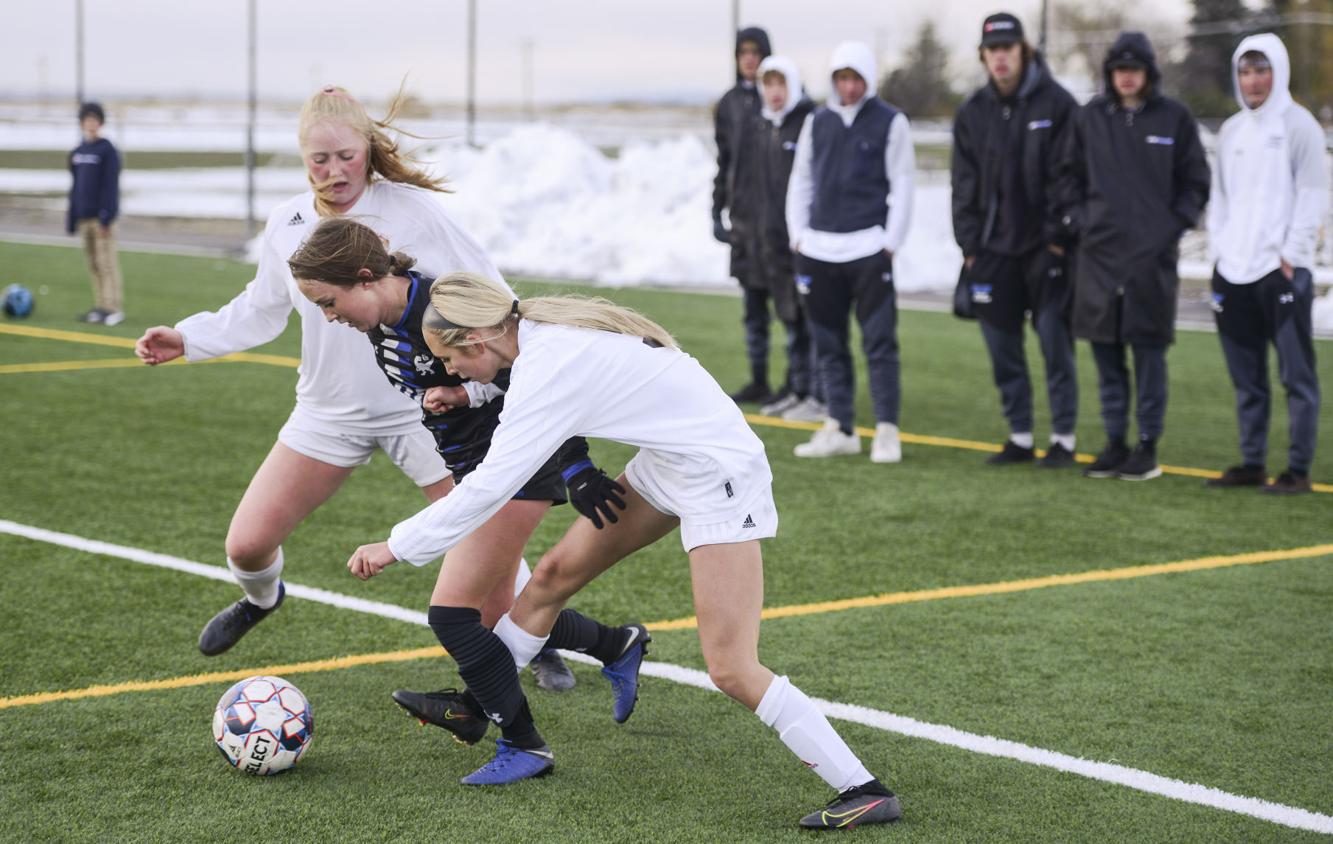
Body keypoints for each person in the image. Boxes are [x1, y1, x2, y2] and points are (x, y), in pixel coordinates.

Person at [311, 224, 899, 827]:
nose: (452, 371)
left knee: (730, 667)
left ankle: (864, 789)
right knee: (550, 579)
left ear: (479, 335)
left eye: (452, 358)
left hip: (718, 474)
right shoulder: (531, 337)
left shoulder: (545, 365)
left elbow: (489, 487)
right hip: (670, 463)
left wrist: (395, 546)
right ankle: (480, 707)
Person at [132, 86, 576, 690]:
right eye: (320, 159)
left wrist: (512, 371)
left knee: (485, 541)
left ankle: (540, 641)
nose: (335, 171)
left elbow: (489, 293)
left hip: (422, 412)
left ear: (367, 148)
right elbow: (260, 309)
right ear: (302, 157)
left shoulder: (412, 210)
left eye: (346, 156)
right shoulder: (288, 223)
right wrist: (188, 337)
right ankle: (262, 599)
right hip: (327, 414)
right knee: (246, 546)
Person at [286, 216, 652, 759]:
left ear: (365, 279)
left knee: (454, 612)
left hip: (514, 465)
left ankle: (512, 738)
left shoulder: (442, 308)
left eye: (328, 302)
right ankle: (615, 644)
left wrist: (574, 464)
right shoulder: (379, 325)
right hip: (473, 468)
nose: (328, 316)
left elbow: (528, 374)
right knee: (499, 614)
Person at [1059, 32, 1210, 481]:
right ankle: (1114, 442)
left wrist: (1169, 228)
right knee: (1106, 353)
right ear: (1109, 73)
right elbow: (1065, 177)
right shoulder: (1090, 117)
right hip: (1099, 259)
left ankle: (1146, 446)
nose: (1126, 77)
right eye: (1119, 69)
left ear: (1148, 73)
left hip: (1151, 260)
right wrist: (1082, 222)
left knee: (1148, 354)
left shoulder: (1174, 118)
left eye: (1135, 69)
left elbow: (1196, 182)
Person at [952, 13, 1079, 468]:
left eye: (1008, 48)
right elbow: (962, 185)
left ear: (1023, 51)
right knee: (1003, 350)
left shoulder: (1058, 103)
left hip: (1046, 250)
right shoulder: (972, 112)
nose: (1000, 57)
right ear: (983, 56)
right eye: (993, 50)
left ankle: (1063, 438)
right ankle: (1020, 436)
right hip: (992, 253)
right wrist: (969, 247)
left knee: (1055, 346)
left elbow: (1070, 176)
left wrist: (1059, 240)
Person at [1205, 34, 1327, 495]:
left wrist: (1291, 256)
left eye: (1261, 70)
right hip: (1233, 271)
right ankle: (1252, 462)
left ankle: (1297, 469)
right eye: (1245, 71)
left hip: (1282, 273)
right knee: (1247, 378)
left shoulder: (1300, 126)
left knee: (1297, 376)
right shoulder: (1232, 131)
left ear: (1279, 71)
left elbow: (1313, 194)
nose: (1253, 80)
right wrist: (1221, 252)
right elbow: (1220, 199)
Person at [786, 41, 914, 462]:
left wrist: (890, 243)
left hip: (869, 251)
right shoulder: (817, 121)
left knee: (879, 344)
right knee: (828, 344)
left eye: (856, 78)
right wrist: (799, 236)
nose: (849, 87)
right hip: (819, 251)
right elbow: (802, 179)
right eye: (842, 78)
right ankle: (840, 427)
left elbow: (903, 182)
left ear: (868, 79)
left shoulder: (891, 121)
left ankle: (887, 431)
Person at [752, 55, 826, 424]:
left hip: (806, 244)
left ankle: (820, 396)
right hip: (776, 244)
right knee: (791, 322)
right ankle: (798, 390)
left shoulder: (811, 121)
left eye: (781, 83)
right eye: (768, 84)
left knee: (814, 324)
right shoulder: (766, 126)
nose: (775, 92)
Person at [712, 26, 779, 406]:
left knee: (792, 310)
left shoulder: (783, 96)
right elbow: (724, 162)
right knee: (753, 309)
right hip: (744, 224)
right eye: (743, 52)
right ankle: (759, 380)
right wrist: (716, 209)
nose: (750, 59)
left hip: (780, 226)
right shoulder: (729, 104)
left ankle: (801, 385)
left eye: (756, 52)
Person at [68, 101, 125, 327]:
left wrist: (106, 217)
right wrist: (72, 217)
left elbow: (111, 187)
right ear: (82, 123)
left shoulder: (107, 150)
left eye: (94, 120)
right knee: (93, 264)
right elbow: (75, 186)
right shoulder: (78, 151)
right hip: (84, 218)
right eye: (87, 120)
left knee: (106, 263)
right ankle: (101, 306)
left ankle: (113, 308)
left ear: (100, 123)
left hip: (101, 220)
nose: (91, 124)